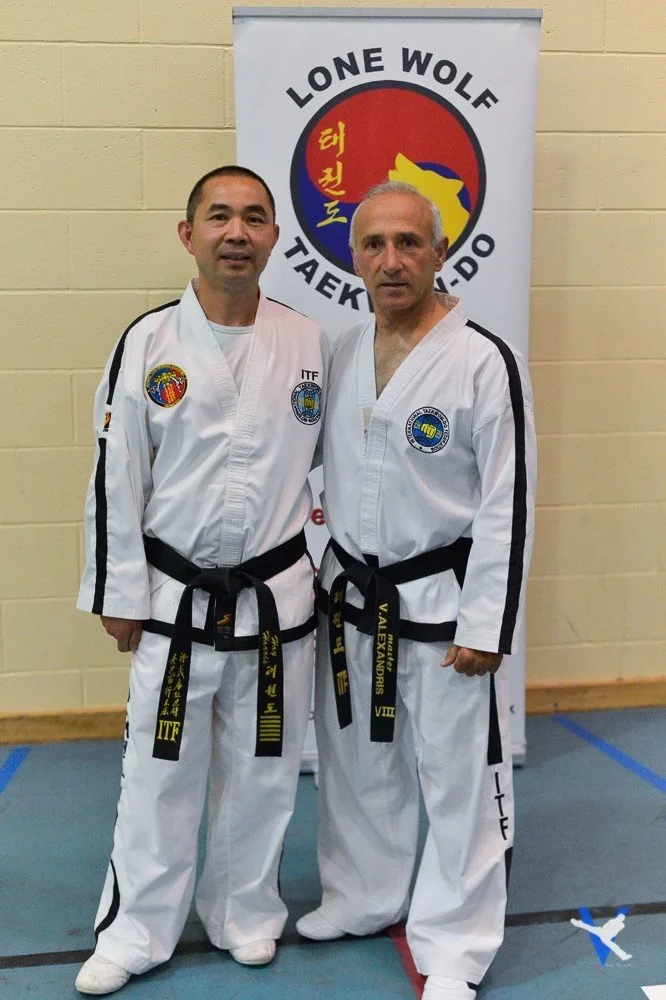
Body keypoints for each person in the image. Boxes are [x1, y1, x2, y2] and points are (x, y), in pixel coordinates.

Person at [75, 165, 328, 995]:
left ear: (274, 239)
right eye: (219, 217)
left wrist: (323, 571)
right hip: (174, 601)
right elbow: (117, 477)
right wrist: (118, 593)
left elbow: (336, 470)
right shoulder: (148, 343)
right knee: (159, 770)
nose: (236, 232)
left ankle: (244, 913)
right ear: (189, 234)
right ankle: (137, 930)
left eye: (254, 218)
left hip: (274, 601)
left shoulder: (307, 341)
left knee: (264, 765)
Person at [296, 182, 536, 1000]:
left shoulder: (482, 359)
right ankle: (363, 896)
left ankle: (458, 945)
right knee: (358, 762)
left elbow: (511, 499)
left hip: (444, 609)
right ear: (351, 257)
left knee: (458, 779)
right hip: (354, 599)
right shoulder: (340, 351)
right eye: (374, 244)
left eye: (409, 242)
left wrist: (489, 623)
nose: (391, 261)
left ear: (440, 252)